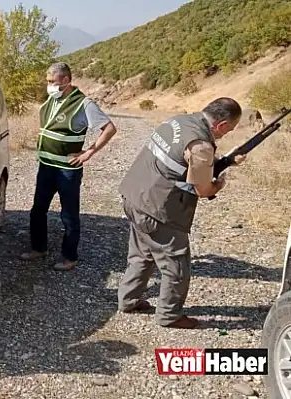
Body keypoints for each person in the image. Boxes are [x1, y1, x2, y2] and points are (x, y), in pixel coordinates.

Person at [116, 97, 246, 329]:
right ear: (222, 125)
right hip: (159, 209)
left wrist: (226, 161)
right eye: (229, 130)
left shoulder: (180, 121)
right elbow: (203, 188)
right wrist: (220, 184)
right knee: (176, 266)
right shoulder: (202, 145)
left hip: (135, 196)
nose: (225, 135)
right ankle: (169, 315)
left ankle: (128, 300)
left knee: (142, 254)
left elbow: (183, 158)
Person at [19, 62, 118, 271]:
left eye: (52, 82)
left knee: (69, 215)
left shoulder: (84, 104)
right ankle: (39, 248)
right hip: (46, 166)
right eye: (47, 82)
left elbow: (109, 128)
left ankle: (69, 257)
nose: (49, 86)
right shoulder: (52, 101)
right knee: (37, 211)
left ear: (66, 80)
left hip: (67, 170)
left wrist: (89, 152)